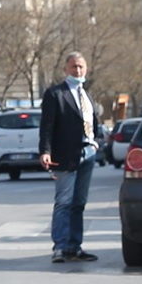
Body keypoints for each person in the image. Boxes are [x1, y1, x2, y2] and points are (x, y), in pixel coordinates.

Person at [39, 52, 101, 263]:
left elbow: (93, 121)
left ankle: (75, 246)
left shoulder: (87, 95)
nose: (78, 71)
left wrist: (95, 141)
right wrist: (45, 151)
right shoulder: (56, 94)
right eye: (74, 67)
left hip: (88, 154)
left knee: (79, 203)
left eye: (81, 67)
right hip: (65, 155)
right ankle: (60, 247)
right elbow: (47, 126)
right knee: (64, 202)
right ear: (65, 69)